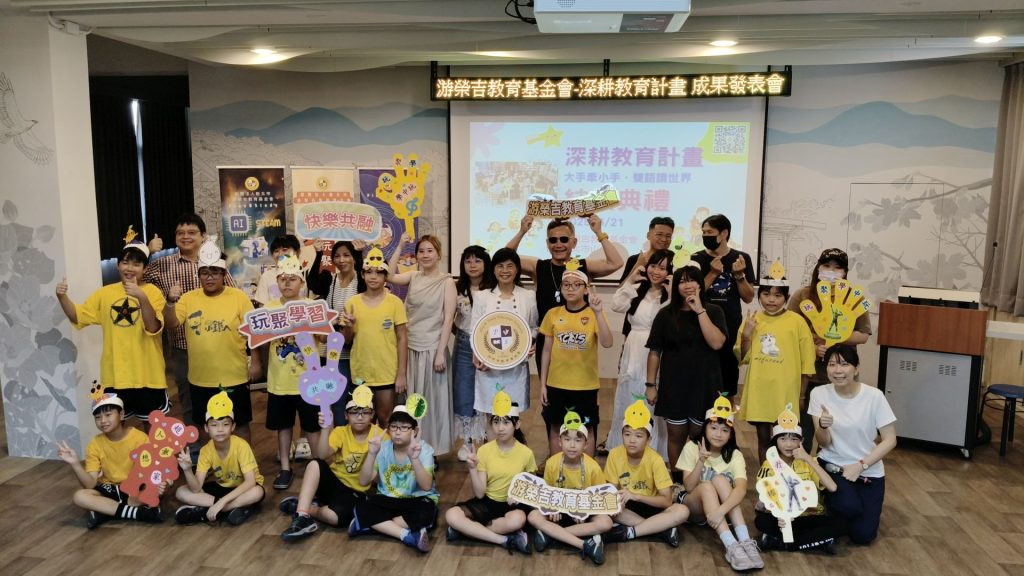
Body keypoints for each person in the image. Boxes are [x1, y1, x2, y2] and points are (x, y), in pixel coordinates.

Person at [56, 228, 169, 422]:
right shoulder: (104, 293)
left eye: (136, 264)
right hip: (115, 376)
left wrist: (141, 296)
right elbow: (77, 315)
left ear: (145, 269)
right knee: (115, 426)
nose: (130, 268)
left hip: (148, 375)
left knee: (153, 429)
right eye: (125, 262)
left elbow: (153, 327)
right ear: (117, 265)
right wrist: (62, 297)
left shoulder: (153, 292)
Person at [162, 237, 260, 442]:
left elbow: (254, 332)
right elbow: (171, 323)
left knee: (240, 424)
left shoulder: (238, 297)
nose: (209, 277)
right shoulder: (188, 298)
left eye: (215, 272)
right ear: (198, 274)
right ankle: (210, 461)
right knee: (205, 425)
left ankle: (244, 461)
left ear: (223, 274)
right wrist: (170, 301)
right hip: (200, 378)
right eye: (205, 272)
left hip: (234, 376)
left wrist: (256, 363)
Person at [144, 212, 235, 427]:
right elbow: (135, 276)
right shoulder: (161, 264)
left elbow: (233, 294)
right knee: (188, 399)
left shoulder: (215, 263)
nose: (185, 236)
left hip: (217, 344)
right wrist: (148, 251)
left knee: (222, 396)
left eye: (192, 232)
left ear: (203, 236)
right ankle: (195, 444)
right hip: (182, 346)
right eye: (180, 233)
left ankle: (223, 441)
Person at [505, 214, 624, 372]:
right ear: (547, 244)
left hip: (578, 340)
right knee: (547, 385)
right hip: (547, 340)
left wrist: (599, 232)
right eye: (553, 240)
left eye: (564, 239)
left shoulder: (584, 266)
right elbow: (505, 258)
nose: (558, 244)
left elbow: (616, 262)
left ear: (574, 242)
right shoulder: (538, 267)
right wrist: (522, 232)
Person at [808, 344, 897, 545]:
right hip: (833, 466)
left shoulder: (874, 396)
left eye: (844, 364)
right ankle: (829, 506)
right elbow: (823, 442)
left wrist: (861, 465)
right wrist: (822, 426)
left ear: (856, 369)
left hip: (868, 470)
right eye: (832, 365)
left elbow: (890, 439)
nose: (837, 370)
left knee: (863, 536)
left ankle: (833, 517)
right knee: (849, 507)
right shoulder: (819, 394)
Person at [789, 248, 873, 452]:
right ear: (818, 268)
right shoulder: (803, 295)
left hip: (840, 376)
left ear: (845, 273)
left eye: (837, 268)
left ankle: (826, 469)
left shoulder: (853, 297)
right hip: (807, 377)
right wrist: (813, 348)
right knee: (802, 431)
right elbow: (789, 330)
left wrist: (836, 335)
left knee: (834, 435)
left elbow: (863, 335)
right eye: (827, 266)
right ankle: (802, 466)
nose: (831, 272)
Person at [645, 265, 727, 470]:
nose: (687, 285)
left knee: (701, 435)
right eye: (682, 281)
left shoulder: (714, 311)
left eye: (692, 280)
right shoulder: (665, 314)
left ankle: (699, 479)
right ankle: (677, 479)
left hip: (705, 385)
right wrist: (650, 385)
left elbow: (716, 343)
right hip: (674, 385)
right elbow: (654, 352)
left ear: (700, 284)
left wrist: (699, 310)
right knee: (675, 436)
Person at [280, 384, 385, 541]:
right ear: (346, 415)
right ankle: (302, 516)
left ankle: (304, 507)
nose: (360, 416)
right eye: (354, 412)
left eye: (365, 412)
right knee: (315, 464)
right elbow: (322, 455)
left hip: (355, 491)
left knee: (334, 518)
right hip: (334, 483)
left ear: (372, 414)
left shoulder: (380, 436)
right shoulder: (341, 432)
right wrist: (325, 428)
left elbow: (373, 479)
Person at [735, 266, 816, 462]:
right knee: (763, 438)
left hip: (786, 391)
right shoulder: (752, 320)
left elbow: (807, 362)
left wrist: (802, 394)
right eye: (766, 294)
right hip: (760, 390)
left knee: (787, 439)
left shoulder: (797, 322)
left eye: (778, 295)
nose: (771, 300)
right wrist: (746, 335)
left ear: (786, 298)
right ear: (759, 296)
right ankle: (766, 474)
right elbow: (742, 357)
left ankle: (787, 476)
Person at [388, 234, 457, 456]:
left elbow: (448, 318)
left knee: (431, 402)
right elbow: (389, 275)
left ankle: (431, 450)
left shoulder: (447, 282)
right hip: (410, 347)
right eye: (421, 251)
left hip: (433, 349)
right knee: (411, 400)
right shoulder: (413, 276)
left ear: (439, 254)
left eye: (430, 251)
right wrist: (400, 244)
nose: (425, 255)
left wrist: (440, 353)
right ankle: (411, 447)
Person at [677, 396, 764, 571]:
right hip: (693, 506)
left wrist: (720, 511)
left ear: (731, 435)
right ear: (705, 428)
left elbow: (741, 490)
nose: (718, 434)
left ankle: (745, 541)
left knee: (720, 479)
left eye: (725, 430)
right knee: (707, 486)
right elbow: (689, 487)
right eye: (714, 428)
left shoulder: (735, 455)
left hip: (719, 513)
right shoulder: (692, 447)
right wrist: (701, 460)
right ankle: (730, 545)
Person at [539, 259, 614, 457]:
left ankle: (587, 471)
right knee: (556, 426)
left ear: (586, 289)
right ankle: (556, 468)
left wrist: (598, 313)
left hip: (585, 386)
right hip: (556, 384)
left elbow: (607, 342)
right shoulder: (553, 314)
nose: (570, 289)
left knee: (586, 428)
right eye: (566, 285)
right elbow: (546, 351)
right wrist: (543, 384)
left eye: (576, 285)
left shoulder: (594, 313)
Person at [259, 255, 321, 490]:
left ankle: (318, 467)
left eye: (292, 279)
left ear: (301, 282)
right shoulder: (268, 309)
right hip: (279, 380)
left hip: (309, 379)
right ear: (277, 281)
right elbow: (258, 341)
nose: (287, 283)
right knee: (283, 426)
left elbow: (324, 337)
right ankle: (285, 468)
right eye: (282, 278)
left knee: (312, 427)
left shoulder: (313, 307)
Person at [56, 391, 163, 527]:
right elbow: (90, 484)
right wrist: (75, 464)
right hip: (109, 490)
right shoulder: (95, 444)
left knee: (156, 487)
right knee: (79, 496)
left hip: (134, 489)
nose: (103, 421)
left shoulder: (140, 439)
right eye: (98, 417)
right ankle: (138, 513)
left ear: (121, 415)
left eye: (108, 415)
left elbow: (151, 471)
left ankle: (105, 511)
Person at [444, 394, 534, 555]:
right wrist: (472, 469)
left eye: (506, 422)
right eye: (496, 422)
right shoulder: (485, 450)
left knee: (518, 520)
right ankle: (503, 540)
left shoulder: (526, 453)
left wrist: (519, 495)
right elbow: (480, 494)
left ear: (517, 424)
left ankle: (468, 530)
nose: (500, 428)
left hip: (512, 505)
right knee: (451, 515)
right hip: (488, 503)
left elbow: (531, 486)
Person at [608, 248, 672, 457]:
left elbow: (673, 322)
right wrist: (630, 280)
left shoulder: (670, 295)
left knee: (653, 401)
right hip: (633, 349)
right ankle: (626, 450)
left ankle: (653, 454)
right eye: (653, 266)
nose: (656, 272)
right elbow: (616, 305)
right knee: (629, 397)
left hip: (658, 352)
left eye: (662, 268)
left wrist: (672, 294)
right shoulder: (637, 290)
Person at [754, 404, 843, 554]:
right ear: (775, 440)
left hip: (808, 516)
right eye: (783, 439)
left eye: (794, 439)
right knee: (761, 521)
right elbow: (767, 497)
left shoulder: (808, 462)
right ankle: (817, 542)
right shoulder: (768, 465)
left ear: (801, 441)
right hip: (782, 518)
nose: (789, 444)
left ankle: (782, 543)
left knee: (841, 524)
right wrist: (778, 515)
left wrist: (808, 458)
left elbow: (832, 487)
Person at [350, 405, 439, 553]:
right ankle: (407, 535)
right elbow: (363, 482)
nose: (397, 432)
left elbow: (426, 486)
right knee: (362, 507)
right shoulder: (382, 448)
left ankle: (371, 525)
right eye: (394, 427)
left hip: (417, 499)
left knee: (426, 512)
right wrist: (371, 453)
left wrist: (414, 458)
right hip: (388, 499)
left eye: (404, 427)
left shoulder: (425, 450)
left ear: (415, 430)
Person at [602, 400, 688, 547]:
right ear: (621, 435)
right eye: (627, 434)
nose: (632, 440)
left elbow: (666, 501)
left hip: (650, 505)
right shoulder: (614, 455)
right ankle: (659, 530)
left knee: (682, 510)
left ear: (648, 440)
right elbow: (610, 492)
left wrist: (637, 496)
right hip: (626, 507)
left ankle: (630, 532)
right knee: (607, 509)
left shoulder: (655, 459)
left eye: (638, 436)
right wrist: (615, 503)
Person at [528, 411, 610, 565]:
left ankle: (551, 535)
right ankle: (585, 544)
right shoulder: (552, 463)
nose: (572, 445)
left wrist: (585, 512)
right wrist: (551, 508)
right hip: (557, 514)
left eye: (578, 440)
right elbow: (546, 492)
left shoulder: (593, 467)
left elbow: (600, 499)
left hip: (583, 515)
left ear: (586, 444)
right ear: (560, 442)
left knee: (606, 522)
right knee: (533, 516)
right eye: (567, 439)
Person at [471, 248, 539, 430]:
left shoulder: (528, 296)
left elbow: (534, 327)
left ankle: (512, 447)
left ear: (517, 269)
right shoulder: (482, 297)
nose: (505, 270)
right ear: (493, 269)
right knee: (491, 416)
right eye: (500, 266)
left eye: (510, 266)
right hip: (488, 367)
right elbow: (474, 330)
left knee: (511, 417)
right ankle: (490, 448)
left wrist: (529, 343)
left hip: (516, 368)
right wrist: (477, 355)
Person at [174, 391, 265, 526]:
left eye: (225, 424)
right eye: (214, 425)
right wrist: (187, 470)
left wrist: (221, 502)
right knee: (181, 492)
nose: (220, 429)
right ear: (206, 428)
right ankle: (232, 509)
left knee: (257, 492)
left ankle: (212, 511)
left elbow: (250, 482)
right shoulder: (206, 450)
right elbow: (196, 488)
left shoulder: (241, 445)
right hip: (223, 488)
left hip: (244, 488)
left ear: (233, 427)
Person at [689, 214, 755, 398]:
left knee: (728, 381)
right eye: (703, 232)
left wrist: (739, 276)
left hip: (730, 326)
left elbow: (749, 297)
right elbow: (692, 294)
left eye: (710, 232)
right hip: (701, 324)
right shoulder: (696, 258)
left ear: (724, 233)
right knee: (701, 378)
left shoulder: (741, 258)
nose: (705, 236)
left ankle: (725, 412)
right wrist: (712, 273)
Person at [341, 247, 408, 426]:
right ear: (362, 274)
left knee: (386, 420)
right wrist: (349, 326)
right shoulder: (352, 303)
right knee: (362, 422)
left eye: (379, 273)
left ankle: (386, 447)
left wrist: (401, 374)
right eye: (369, 272)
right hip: (361, 373)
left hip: (387, 373)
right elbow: (346, 340)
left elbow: (402, 338)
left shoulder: (395, 303)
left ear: (386, 277)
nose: (373, 277)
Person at [306, 240, 366, 424]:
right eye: (337, 256)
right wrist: (318, 254)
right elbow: (313, 283)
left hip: (357, 350)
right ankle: (340, 437)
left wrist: (360, 254)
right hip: (333, 351)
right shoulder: (330, 280)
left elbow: (366, 284)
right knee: (337, 399)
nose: (342, 260)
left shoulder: (361, 281)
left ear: (353, 258)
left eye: (346, 255)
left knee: (359, 398)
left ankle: (359, 438)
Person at [452, 245, 494, 460]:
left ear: (486, 264)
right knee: (463, 392)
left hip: (490, 345)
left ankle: (490, 440)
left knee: (489, 391)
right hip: (463, 344)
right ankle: (468, 442)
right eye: (468, 261)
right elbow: (449, 318)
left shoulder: (493, 289)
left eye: (477, 260)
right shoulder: (456, 288)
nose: (472, 265)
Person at [618, 216, 675, 286]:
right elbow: (621, 289)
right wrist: (638, 265)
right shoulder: (634, 259)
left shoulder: (676, 260)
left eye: (668, 236)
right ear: (648, 235)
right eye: (659, 234)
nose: (664, 239)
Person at [254, 234, 307, 306]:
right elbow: (263, 307)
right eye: (276, 251)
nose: (280, 254)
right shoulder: (266, 277)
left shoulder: (303, 274)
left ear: (297, 252)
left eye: (285, 250)